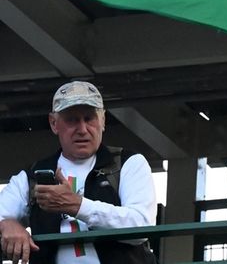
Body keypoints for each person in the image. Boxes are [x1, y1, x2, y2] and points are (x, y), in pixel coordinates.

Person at [0, 81, 158, 264]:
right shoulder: (33, 175)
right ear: (53, 123)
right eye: (72, 120)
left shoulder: (128, 163)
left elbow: (141, 227)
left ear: (103, 121)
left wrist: (77, 206)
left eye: (89, 118)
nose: (82, 129)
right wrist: (6, 224)